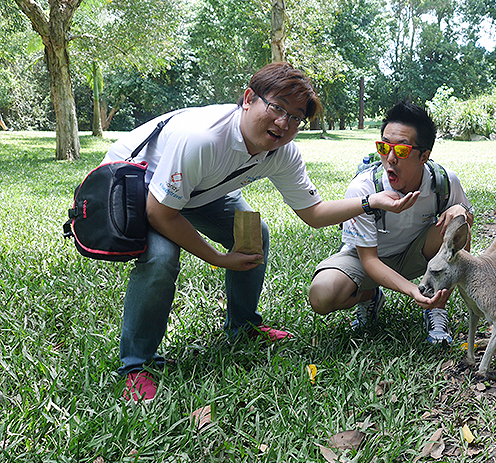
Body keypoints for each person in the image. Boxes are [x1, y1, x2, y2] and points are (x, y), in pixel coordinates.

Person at [105, 63, 418, 403]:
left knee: (254, 232)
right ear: (248, 99)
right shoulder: (203, 139)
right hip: (139, 184)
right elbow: (161, 213)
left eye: (296, 117)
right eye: (277, 108)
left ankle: (243, 325)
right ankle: (136, 365)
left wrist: (372, 201)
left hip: (201, 189)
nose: (284, 123)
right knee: (161, 258)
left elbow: (313, 213)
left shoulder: (282, 152)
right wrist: (219, 258)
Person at [308, 101, 474, 344]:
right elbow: (369, 260)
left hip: (416, 255)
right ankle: (370, 296)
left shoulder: (444, 182)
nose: (391, 158)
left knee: (459, 225)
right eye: (384, 147)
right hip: (369, 260)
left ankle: (436, 308)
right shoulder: (364, 188)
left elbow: (466, 222)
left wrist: (462, 211)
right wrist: (411, 290)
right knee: (322, 294)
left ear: (424, 157)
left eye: (403, 151)